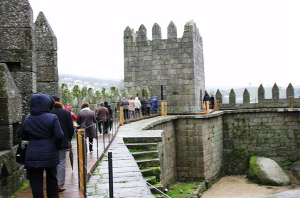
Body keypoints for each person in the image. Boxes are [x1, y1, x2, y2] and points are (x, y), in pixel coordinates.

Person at [18, 93, 63, 198]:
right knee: (52, 178)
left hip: (32, 152)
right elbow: (59, 135)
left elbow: (20, 135)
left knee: (35, 181)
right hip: (50, 151)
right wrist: (56, 146)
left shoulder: (27, 118)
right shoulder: (52, 117)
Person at [51, 95, 74, 192]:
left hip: (50, 142)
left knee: (52, 162)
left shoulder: (48, 112)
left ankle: (51, 183)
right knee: (61, 162)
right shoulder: (66, 113)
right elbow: (70, 128)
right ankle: (59, 184)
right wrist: (69, 138)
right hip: (63, 141)